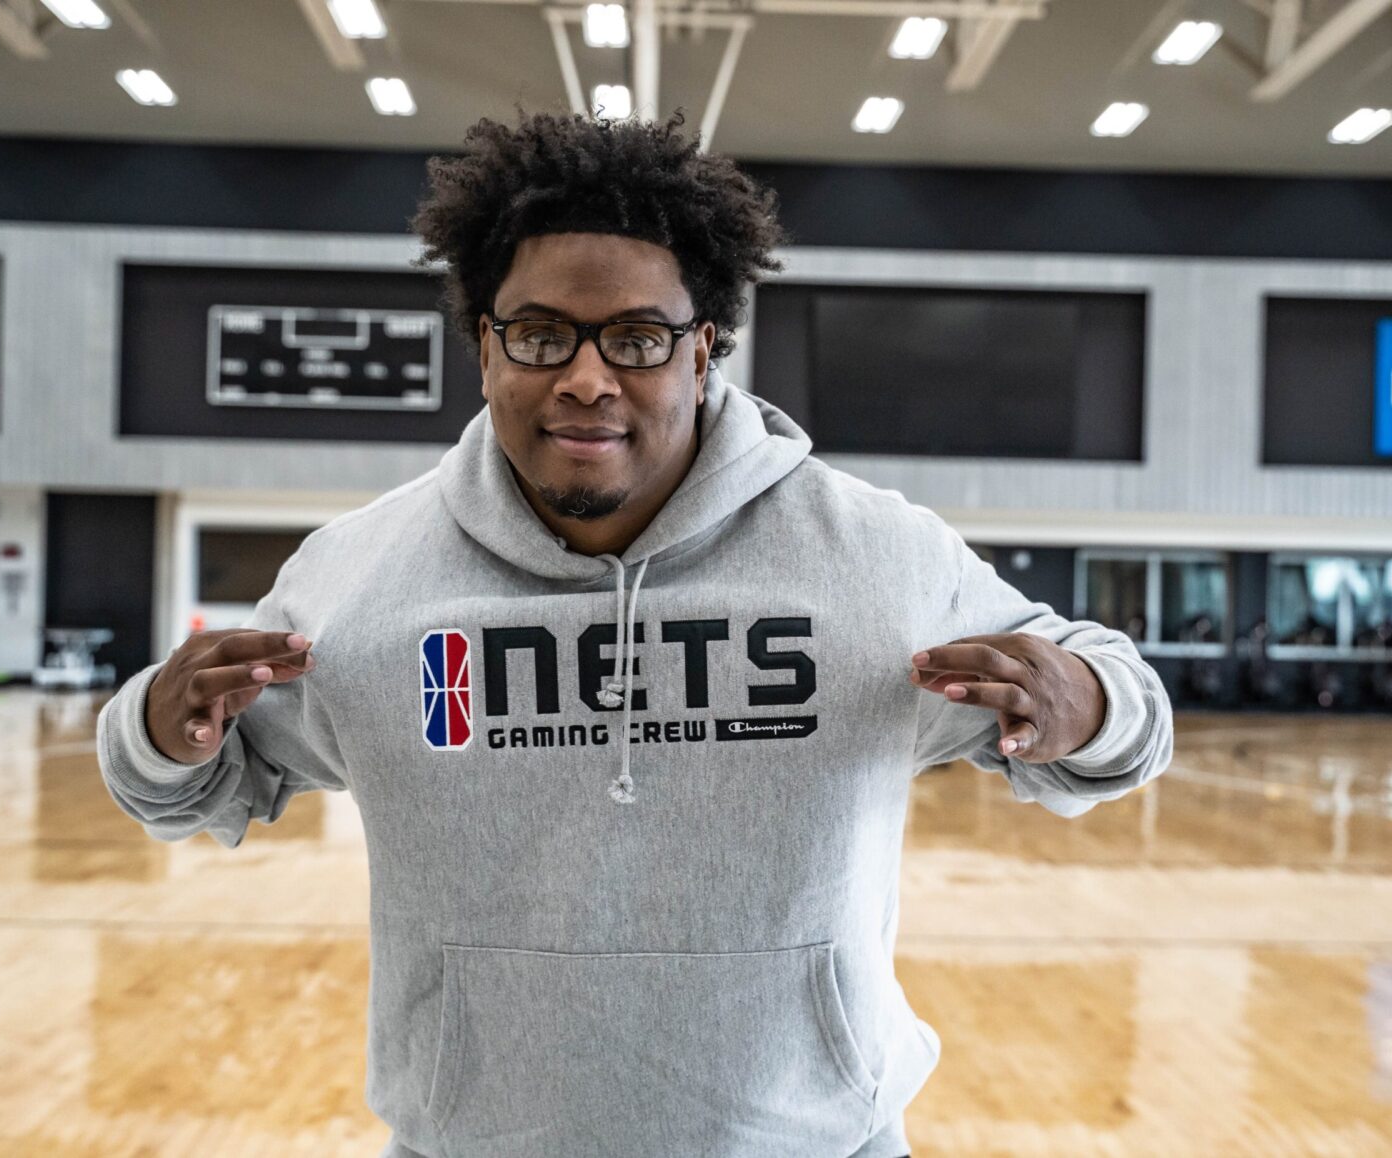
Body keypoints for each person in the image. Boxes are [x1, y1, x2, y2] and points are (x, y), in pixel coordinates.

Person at [96, 107, 1174, 1158]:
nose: (585, 377)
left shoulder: (871, 558)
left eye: (636, 338)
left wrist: (1084, 703)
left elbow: (1126, 716)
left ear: (701, 351)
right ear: (485, 347)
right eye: (540, 334)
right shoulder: (360, 578)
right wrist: (156, 725)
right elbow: (187, 788)